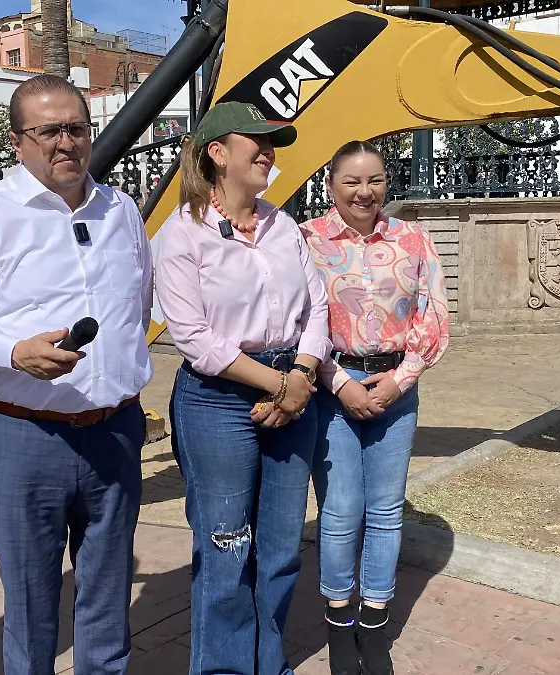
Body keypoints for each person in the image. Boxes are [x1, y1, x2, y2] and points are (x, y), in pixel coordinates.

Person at [0, 74, 153, 675]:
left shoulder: (121, 211)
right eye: (48, 130)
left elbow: (138, 306)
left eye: (76, 129)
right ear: (17, 140)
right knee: (30, 605)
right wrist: (12, 350)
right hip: (25, 438)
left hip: (113, 431)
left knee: (107, 600)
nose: (66, 143)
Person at [153, 101, 333, 675]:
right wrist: (281, 384)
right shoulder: (182, 233)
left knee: (280, 551)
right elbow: (194, 338)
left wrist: (301, 378)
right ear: (216, 152)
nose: (267, 151)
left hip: (292, 390)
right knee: (226, 548)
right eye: (254, 140)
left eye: (272, 141)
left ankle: (268, 663)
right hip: (217, 400)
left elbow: (317, 307)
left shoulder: (282, 225)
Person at [299, 140, 450, 675]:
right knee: (340, 509)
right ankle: (339, 623)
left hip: (396, 385)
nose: (365, 192)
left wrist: (401, 379)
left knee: (385, 509)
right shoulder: (308, 240)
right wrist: (339, 383)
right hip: (330, 385)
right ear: (331, 184)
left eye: (376, 180)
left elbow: (435, 313)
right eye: (352, 182)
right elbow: (299, 320)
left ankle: (375, 623)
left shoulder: (412, 238)